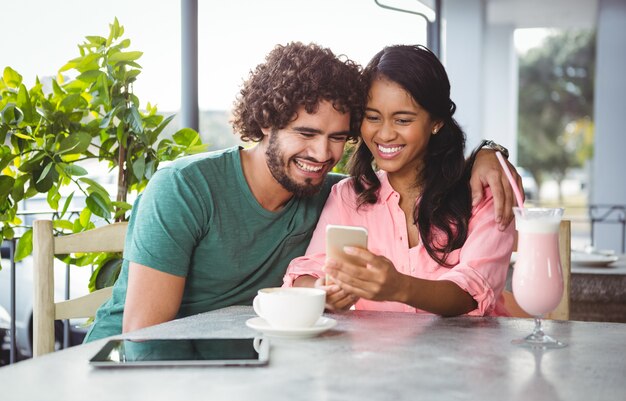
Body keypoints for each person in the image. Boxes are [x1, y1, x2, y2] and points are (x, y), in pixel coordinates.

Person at [85, 42, 519, 342]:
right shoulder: (183, 188)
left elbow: (313, 274)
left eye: (337, 138)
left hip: (243, 361)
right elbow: (142, 337)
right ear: (266, 120)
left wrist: (486, 152)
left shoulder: (332, 192)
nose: (321, 154)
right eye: (306, 133)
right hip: (129, 361)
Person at [284, 45, 515, 317]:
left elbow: (473, 292)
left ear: (436, 122)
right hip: (379, 357)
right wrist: (323, 291)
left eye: (402, 120)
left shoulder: (483, 191)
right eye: (372, 117)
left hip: (468, 355)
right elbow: (304, 272)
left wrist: (399, 287)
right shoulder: (348, 195)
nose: (384, 134)